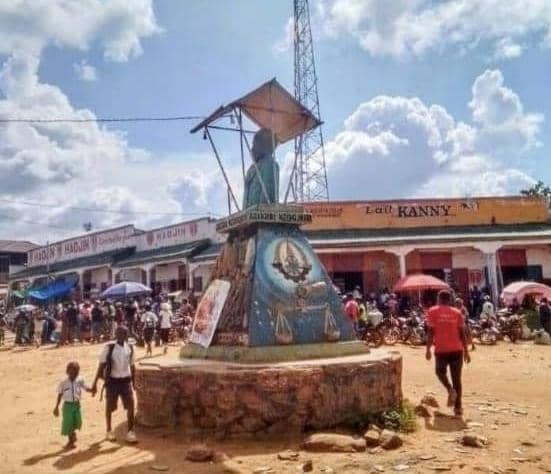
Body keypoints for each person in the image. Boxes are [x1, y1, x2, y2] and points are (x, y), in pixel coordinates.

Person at [426, 290, 471, 417]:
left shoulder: (432, 311)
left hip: (441, 349)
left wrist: (428, 349)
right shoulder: (457, 312)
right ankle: (458, 408)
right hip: (457, 350)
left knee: (439, 372)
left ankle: (450, 389)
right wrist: (467, 351)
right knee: (457, 379)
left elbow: (430, 332)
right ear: (450, 300)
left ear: (439, 299)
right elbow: (462, 333)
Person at [92, 326, 137, 443]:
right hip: (113, 381)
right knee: (110, 406)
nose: (121, 336)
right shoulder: (109, 348)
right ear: (116, 334)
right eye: (119, 333)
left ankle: (130, 431)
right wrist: (95, 383)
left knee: (131, 405)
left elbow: (132, 366)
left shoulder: (130, 348)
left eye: (124, 334)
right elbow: (101, 365)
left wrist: (134, 382)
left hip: (126, 381)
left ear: (127, 335)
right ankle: (109, 430)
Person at [53, 361, 93, 450]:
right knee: (68, 423)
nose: (73, 375)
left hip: (77, 404)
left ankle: (72, 435)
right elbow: (60, 394)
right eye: (71, 373)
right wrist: (56, 407)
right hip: (67, 406)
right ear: (67, 372)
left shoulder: (80, 380)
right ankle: (70, 441)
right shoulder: (63, 382)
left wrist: (92, 390)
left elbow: (86, 387)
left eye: (75, 373)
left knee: (77, 421)